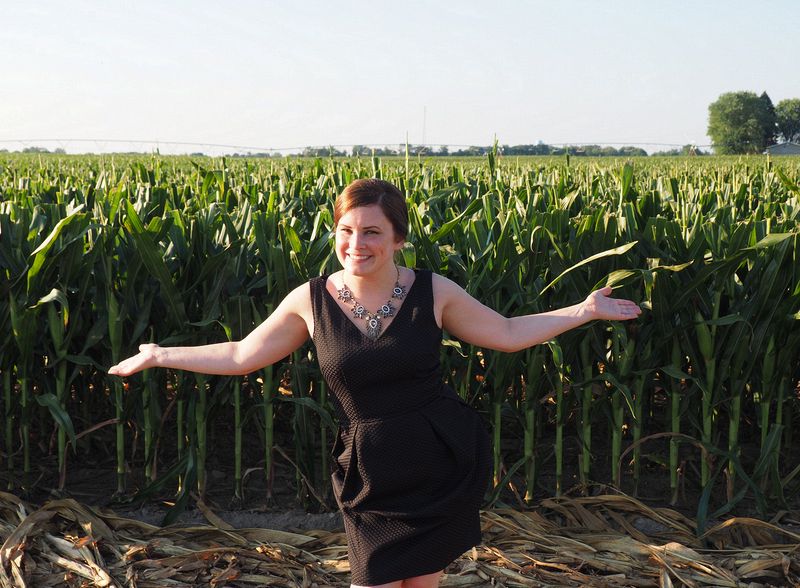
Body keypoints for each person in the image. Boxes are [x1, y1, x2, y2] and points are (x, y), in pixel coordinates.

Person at [109, 178, 642, 588]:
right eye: (346, 230)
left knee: (421, 583)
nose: (356, 243)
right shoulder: (310, 299)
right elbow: (243, 353)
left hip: (437, 458)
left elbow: (503, 332)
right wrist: (162, 354)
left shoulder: (433, 291)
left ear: (398, 239)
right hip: (370, 472)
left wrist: (582, 310)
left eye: (371, 232)